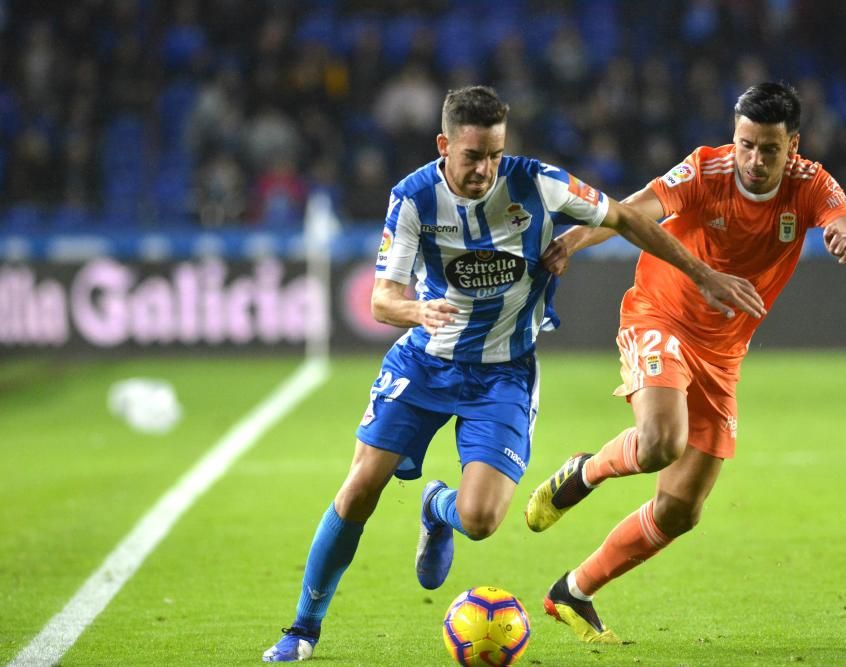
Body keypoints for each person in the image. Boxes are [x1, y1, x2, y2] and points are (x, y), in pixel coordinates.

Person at [262, 85, 765, 662]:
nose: (485, 168)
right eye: (473, 155)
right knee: (358, 491)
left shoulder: (538, 182)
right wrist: (416, 310)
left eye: (495, 153)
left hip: (504, 375)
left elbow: (627, 218)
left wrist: (701, 273)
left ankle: (437, 508)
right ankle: (303, 629)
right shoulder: (413, 198)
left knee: (479, 520)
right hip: (425, 361)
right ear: (444, 145)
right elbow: (381, 299)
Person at [524, 81, 846, 644]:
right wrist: (573, 241)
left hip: (723, 351)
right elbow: (629, 213)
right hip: (659, 315)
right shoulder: (704, 172)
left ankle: (573, 590)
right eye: (745, 144)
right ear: (733, 136)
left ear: (794, 145)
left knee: (679, 511)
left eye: (769, 148)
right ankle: (586, 471)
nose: (754, 160)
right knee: (662, 442)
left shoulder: (811, 184)